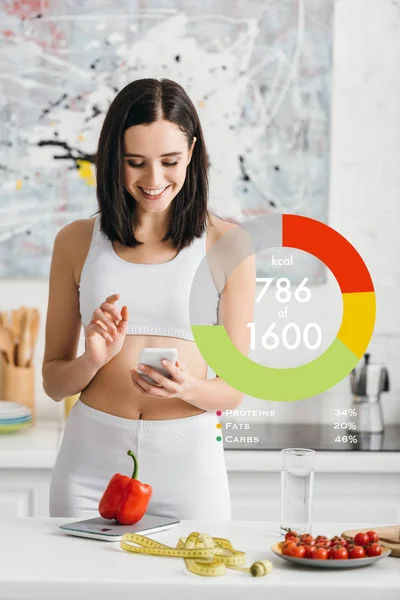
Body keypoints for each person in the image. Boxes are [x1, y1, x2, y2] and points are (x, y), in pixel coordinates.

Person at [43, 78, 256, 521]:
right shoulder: (76, 241)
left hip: (190, 464)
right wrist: (92, 359)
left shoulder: (228, 245)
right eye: (135, 162)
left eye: (170, 161)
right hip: (90, 462)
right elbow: (54, 382)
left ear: (192, 153)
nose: (154, 179)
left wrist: (189, 387)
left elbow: (234, 388)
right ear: (111, 160)